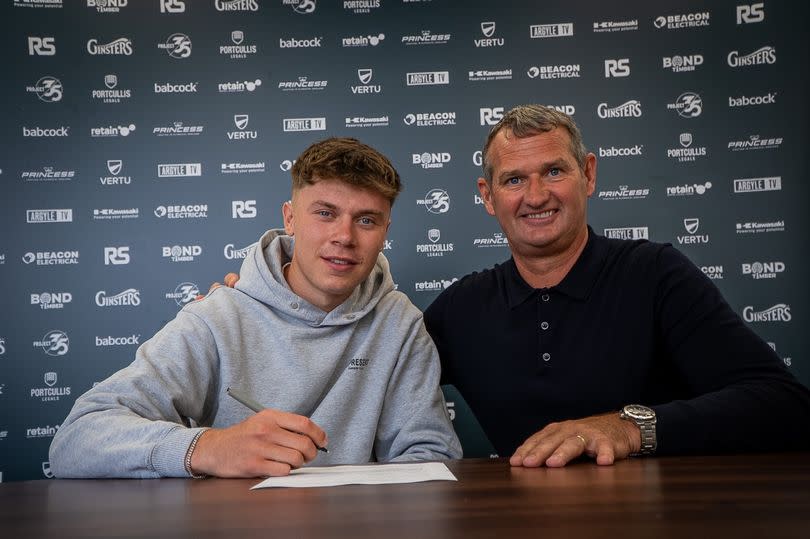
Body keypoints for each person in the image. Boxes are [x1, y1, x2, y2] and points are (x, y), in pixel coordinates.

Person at [49, 137, 461, 479]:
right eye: (325, 213)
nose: (344, 236)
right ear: (290, 218)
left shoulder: (400, 322)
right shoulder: (217, 318)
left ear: (385, 231)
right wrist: (206, 447)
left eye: (366, 220)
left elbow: (430, 454)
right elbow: (75, 441)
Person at [423, 104, 810, 467]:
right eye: (514, 179)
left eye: (555, 172)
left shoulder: (655, 273)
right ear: (488, 197)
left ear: (588, 175)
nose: (537, 195)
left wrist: (629, 428)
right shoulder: (463, 308)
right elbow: (377, 371)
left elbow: (786, 406)